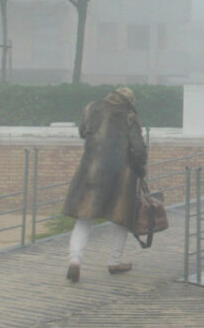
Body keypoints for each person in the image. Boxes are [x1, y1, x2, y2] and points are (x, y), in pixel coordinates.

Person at [62, 86, 147, 283]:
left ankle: (75, 261)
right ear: (130, 102)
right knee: (121, 220)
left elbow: (83, 132)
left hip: (91, 172)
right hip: (121, 177)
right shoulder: (129, 117)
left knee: (84, 219)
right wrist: (140, 170)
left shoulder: (91, 108)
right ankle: (114, 262)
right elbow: (139, 149)